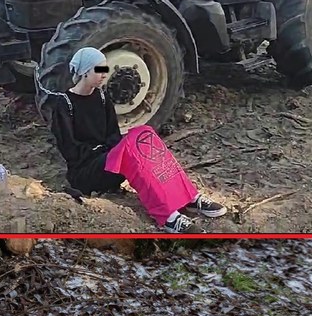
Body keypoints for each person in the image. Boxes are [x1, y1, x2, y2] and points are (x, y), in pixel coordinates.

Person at [44, 46, 227, 234]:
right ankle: (169, 217)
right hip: (85, 172)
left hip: (110, 162)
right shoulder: (64, 104)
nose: (105, 74)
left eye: (105, 69)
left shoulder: (102, 96)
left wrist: (115, 149)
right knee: (129, 148)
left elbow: (113, 134)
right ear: (84, 72)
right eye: (99, 70)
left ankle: (190, 197)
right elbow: (70, 151)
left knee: (144, 133)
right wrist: (106, 151)